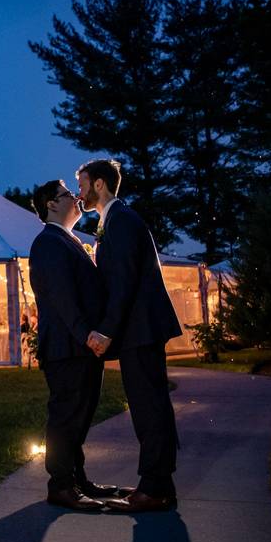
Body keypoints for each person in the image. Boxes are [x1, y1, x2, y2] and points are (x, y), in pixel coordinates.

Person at [78, 159, 181, 513]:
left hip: (141, 329)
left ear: (100, 184)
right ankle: (157, 483)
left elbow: (122, 281)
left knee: (148, 405)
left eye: (83, 184)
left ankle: (154, 487)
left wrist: (106, 330)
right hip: (140, 329)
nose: (80, 193)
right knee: (148, 404)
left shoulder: (121, 221)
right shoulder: (115, 221)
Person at [29, 179, 118, 511]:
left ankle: (78, 479)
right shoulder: (48, 243)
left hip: (83, 347)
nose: (77, 198)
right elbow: (61, 296)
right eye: (68, 194)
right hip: (67, 347)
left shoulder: (70, 241)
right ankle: (61, 485)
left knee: (82, 414)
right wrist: (87, 335)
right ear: (52, 204)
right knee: (66, 414)